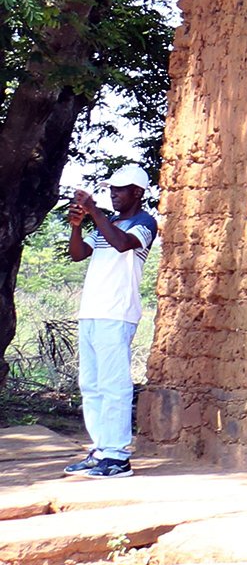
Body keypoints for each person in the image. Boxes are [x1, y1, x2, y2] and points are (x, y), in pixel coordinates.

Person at [64, 165, 158, 478]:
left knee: (113, 385)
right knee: (91, 385)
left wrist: (94, 211)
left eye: (121, 189)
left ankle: (118, 458)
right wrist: (78, 226)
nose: (114, 194)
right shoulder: (109, 223)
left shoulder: (144, 223)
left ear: (138, 192)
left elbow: (122, 244)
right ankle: (101, 450)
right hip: (91, 312)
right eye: (112, 189)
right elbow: (77, 254)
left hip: (117, 313)